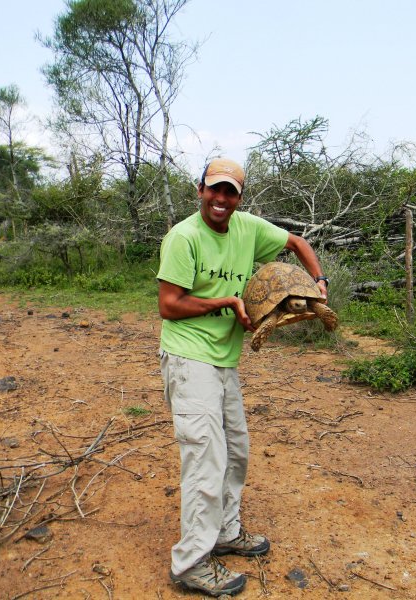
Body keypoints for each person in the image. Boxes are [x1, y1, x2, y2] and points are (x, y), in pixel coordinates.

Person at [157, 158, 329, 596]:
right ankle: (192, 562)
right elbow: (169, 305)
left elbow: (296, 242)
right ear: (200, 190)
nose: (221, 199)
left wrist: (318, 282)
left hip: (224, 360)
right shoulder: (183, 237)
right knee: (205, 457)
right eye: (214, 189)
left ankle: (225, 531)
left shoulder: (249, 227)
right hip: (188, 355)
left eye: (230, 192)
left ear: (239, 198)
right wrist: (226, 304)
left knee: (236, 449)